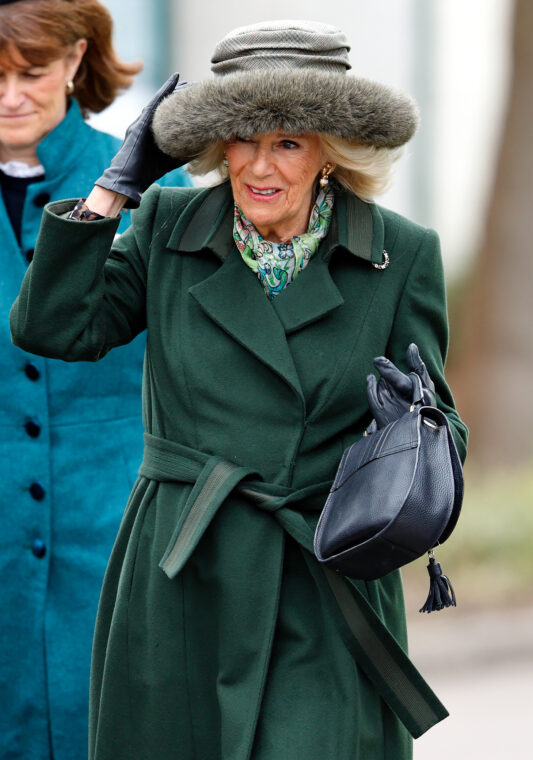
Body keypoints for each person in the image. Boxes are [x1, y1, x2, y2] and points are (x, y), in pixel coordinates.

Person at [10, 20, 468, 760]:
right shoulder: (166, 225)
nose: (259, 166)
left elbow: (443, 422)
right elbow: (53, 329)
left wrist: (411, 433)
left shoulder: (399, 254)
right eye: (241, 138)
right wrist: (111, 190)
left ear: (328, 150)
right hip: (184, 568)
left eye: (286, 141)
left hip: (322, 571)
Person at [0, 0, 191, 758]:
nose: (9, 96)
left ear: (77, 60)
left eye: (30, 72)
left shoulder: (155, 203)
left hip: (114, 537)